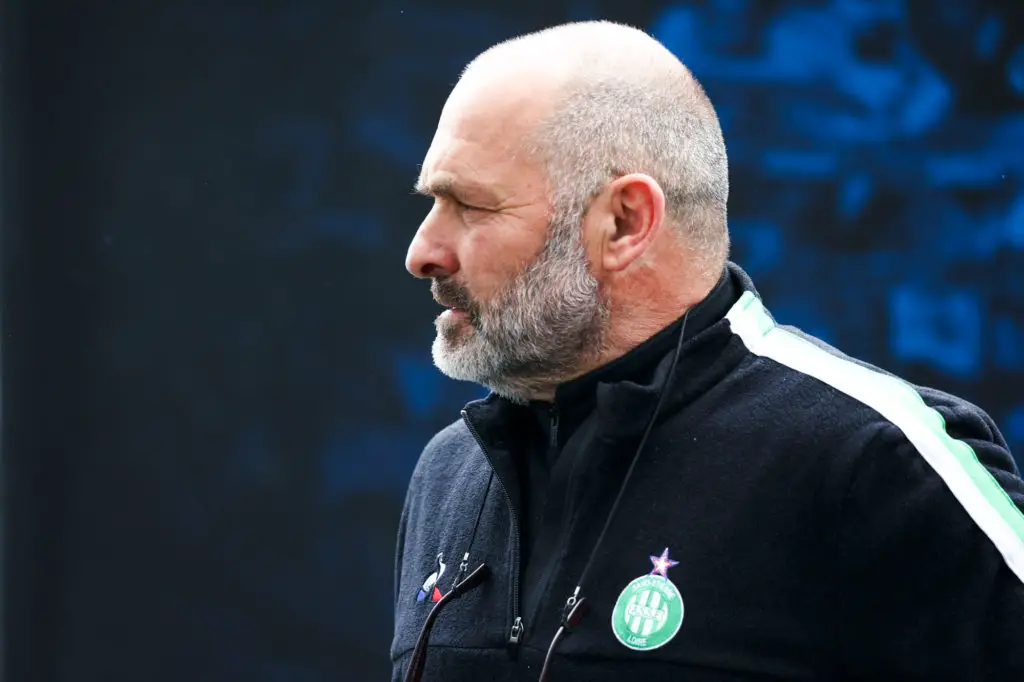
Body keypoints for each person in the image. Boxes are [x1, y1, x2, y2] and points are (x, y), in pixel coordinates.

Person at [391, 20, 1024, 682]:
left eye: (471, 206)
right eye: (433, 203)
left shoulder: (878, 463)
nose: (422, 252)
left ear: (625, 222)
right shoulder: (450, 475)